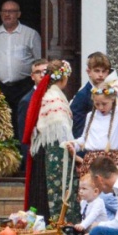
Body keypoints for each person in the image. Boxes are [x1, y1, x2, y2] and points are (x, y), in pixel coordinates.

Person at [23, 59, 79, 225]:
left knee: (43, 193)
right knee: (54, 192)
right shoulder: (55, 98)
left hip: (45, 153)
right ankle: (58, 226)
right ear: (64, 78)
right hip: (54, 154)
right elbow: (62, 131)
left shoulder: (46, 94)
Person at [0, 0, 42, 133]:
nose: (7, 14)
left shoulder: (31, 34)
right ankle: (4, 151)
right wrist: (1, 72)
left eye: (11, 11)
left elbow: (39, 62)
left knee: (22, 119)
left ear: (19, 14)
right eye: (4, 11)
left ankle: (22, 149)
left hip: (24, 86)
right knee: (0, 119)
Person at [68, 84, 118, 173]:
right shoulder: (91, 116)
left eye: (104, 104)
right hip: (92, 159)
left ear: (112, 99)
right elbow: (85, 139)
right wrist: (75, 145)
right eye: (97, 104)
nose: (100, 107)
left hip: (113, 159)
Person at [70, 52, 118, 138]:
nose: (100, 75)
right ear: (89, 71)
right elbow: (79, 129)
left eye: (104, 71)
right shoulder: (83, 94)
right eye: (97, 71)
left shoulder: (115, 88)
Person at [16, 59, 49, 149]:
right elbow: (24, 135)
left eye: (45, 71)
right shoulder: (26, 101)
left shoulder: (55, 95)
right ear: (32, 76)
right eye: (38, 72)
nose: (42, 75)